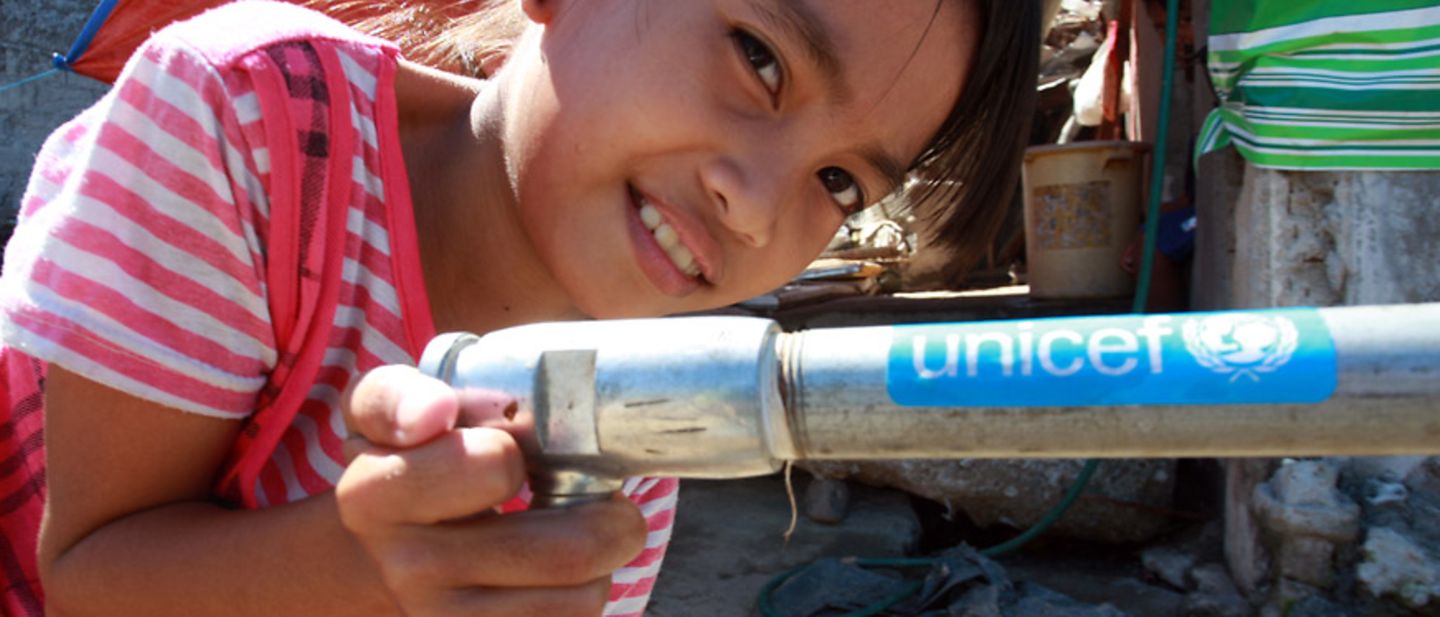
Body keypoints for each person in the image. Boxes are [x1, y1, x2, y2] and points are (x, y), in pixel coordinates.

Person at [0, 0, 1038, 615]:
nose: (760, 206)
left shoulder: (620, 437)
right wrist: (363, 564)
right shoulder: (248, 125)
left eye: (843, 182)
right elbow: (85, 574)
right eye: (759, 56)